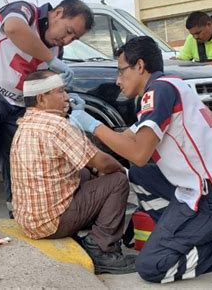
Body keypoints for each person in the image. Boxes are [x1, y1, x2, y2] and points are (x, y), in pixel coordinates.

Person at [68, 36, 212, 282]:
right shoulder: (170, 86)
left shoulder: (157, 92)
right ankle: (179, 234)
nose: (117, 81)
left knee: (153, 266)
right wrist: (85, 119)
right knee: (138, 176)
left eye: (121, 71)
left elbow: (138, 154)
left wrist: (93, 125)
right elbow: (126, 138)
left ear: (139, 66)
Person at [0, 0, 94, 259]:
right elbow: (14, 29)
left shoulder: (54, 52)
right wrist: (52, 60)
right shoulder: (25, 12)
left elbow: (43, 91)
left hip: (15, 103)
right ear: (58, 13)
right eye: (69, 30)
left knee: (22, 158)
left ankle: (19, 215)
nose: (68, 39)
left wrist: (66, 100)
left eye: (75, 37)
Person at [10, 70, 136, 275]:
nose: (67, 97)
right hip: (52, 224)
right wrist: (121, 169)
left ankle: (95, 232)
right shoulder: (56, 125)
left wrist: (95, 170)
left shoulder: (25, 123)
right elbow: (103, 162)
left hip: (30, 222)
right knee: (117, 181)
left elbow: (86, 164)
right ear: (42, 99)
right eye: (60, 92)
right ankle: (101, 248)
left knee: (86, 173)